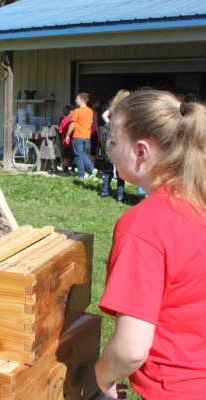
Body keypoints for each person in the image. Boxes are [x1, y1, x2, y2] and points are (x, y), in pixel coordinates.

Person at [96, 90, 206, 399]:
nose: (109, 150)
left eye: (114, 142)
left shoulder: (144, 225)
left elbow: (129, 350)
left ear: (141, 151)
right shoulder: (199, 199)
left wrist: (102, 376)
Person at [99, 90, 130, 203]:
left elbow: (104, 115)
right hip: (121, 142)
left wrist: (109, 124)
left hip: (110, 144)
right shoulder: (127, 108)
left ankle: (104, 192)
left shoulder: (114, 106)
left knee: (108, 170)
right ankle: (119, 197)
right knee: (120, 172)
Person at [66, 92, 97, 180]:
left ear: (81, 100)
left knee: (78, 156)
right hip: (87, 137)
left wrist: (67, 135)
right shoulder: (90, 111)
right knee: (85, 154)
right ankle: (91, 169)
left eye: (77, 99)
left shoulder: (77, 111)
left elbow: (72, 124)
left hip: (78, 136)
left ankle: (81, 175)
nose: (76, 100)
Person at [59, 105, 74, 175]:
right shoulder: (73, 119)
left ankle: (65, 169)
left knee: (66, 156)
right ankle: (73, 168)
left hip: (65, 142)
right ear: (71, 111)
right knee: (75, 156)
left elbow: (60, 131)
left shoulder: (63, 120)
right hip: (72, 141)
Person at [89, 96, 102, 165]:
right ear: (93, 103)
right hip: (93, 131)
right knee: (93, 149)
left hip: (86, 131)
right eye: (98, 102)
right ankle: (92, 166)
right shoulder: (95, 113)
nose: (99, 104)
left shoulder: (87, 111)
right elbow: (96, 124)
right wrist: (99, 134)